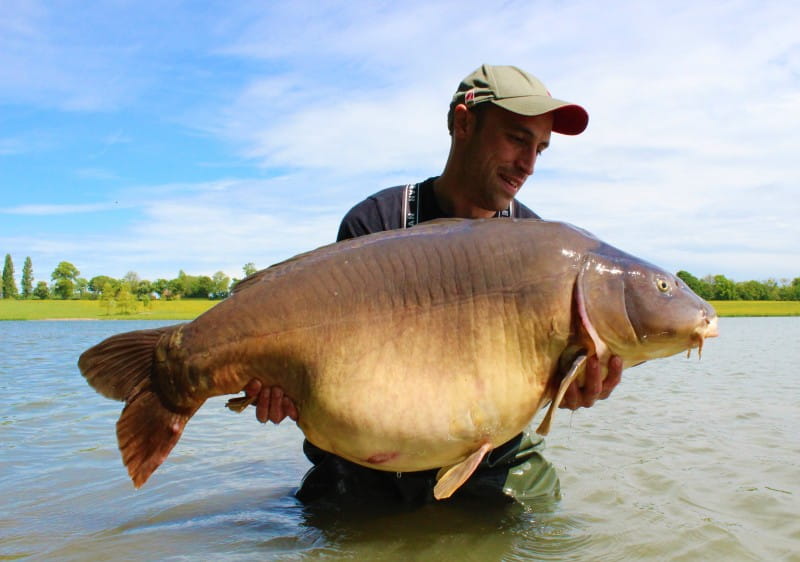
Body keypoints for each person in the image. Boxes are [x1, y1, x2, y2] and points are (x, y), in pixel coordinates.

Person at [244, 64, 623, 505]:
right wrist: (287, 389)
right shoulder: (375, 224)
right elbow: (327, 366)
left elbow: (546, 376)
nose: (529, 165)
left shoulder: (538, 247)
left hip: (492, 456)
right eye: (517, 139)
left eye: (540, 149)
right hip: (369, 459)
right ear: (464, 123)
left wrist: (571, 387)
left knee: (542, 527)